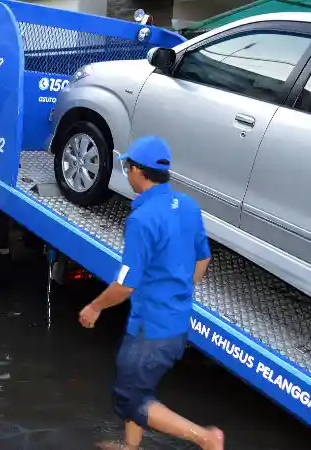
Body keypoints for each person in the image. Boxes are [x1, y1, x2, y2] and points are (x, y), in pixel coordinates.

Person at [78, 136, 223, 450]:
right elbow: (204, 257)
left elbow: (125, 285)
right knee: (135, 387)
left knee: (129, 399)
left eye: (128, 166)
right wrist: (177, 291)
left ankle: (206, 438)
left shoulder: (142, 220)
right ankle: (131, 448)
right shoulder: (187, 205)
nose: (126, 171)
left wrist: (94, 307)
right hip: (174, 321)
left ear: (139, 172)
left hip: (152, 328)